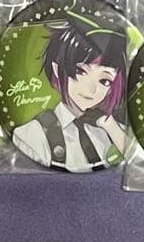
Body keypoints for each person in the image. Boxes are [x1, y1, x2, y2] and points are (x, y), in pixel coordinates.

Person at [12, 18, 128, 172]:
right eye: (81, 72)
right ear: (56, 69)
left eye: (104, 81)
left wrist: (111, 127)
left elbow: (138, 166)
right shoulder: (31, 135)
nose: (91, 89)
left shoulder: (116, 130)